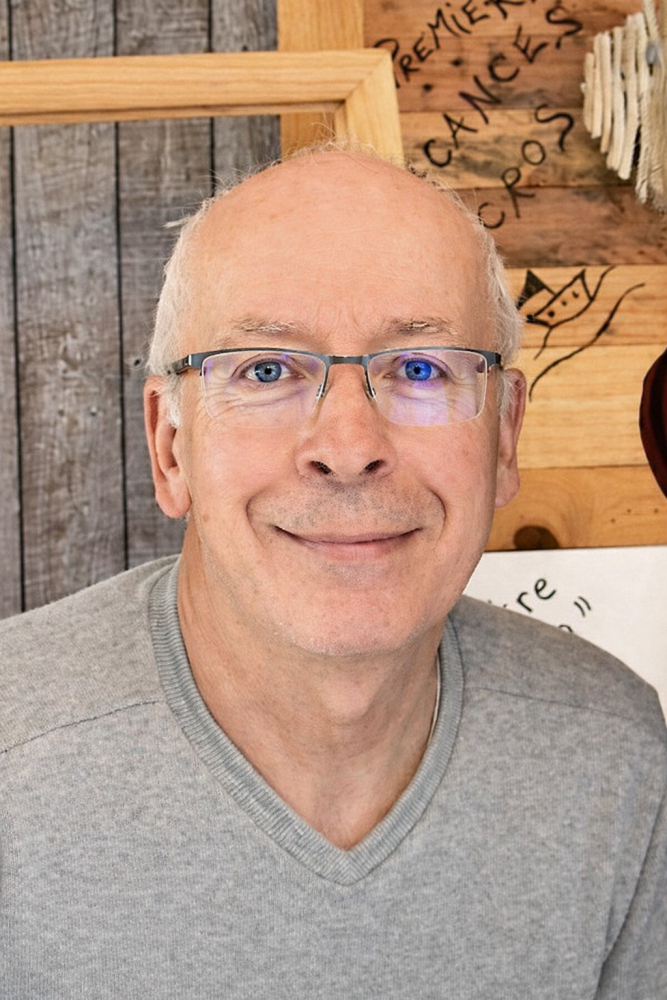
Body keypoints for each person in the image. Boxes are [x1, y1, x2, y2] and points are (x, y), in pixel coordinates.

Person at [1, 149, 665, 998]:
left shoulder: (615, 758)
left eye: (420, 368)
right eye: (266, 370)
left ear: (503, 437)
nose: (349, 448)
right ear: (170, 446)